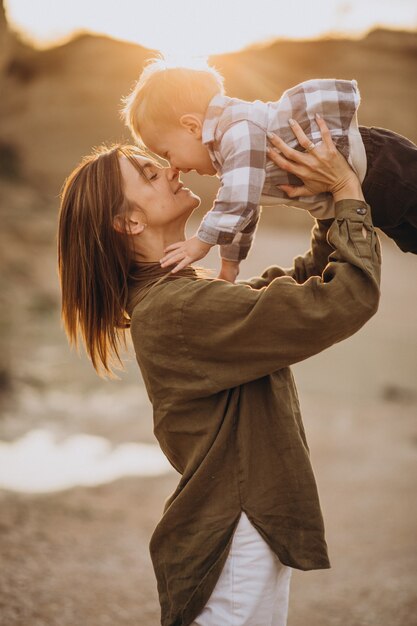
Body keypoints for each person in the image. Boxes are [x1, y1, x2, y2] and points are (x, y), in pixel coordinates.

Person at [57, 118, 381, 626]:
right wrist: (345, 191)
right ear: (129, 223)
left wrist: (322, 209)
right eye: (147, 172)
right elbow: (342, 299)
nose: (167, 170)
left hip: (239, 527)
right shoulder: (178, 307)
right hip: (235, 535)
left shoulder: (178, 297)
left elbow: (293, 289)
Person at [122, 59, 417, 282]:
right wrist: (230, 263)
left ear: (192, 126)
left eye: (166, 153)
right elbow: (245, 209)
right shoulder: (232, 157)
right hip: (368, 191)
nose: (173, 167)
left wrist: (203, 240)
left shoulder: (236, 130)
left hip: (380, 165)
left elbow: (238, 198)